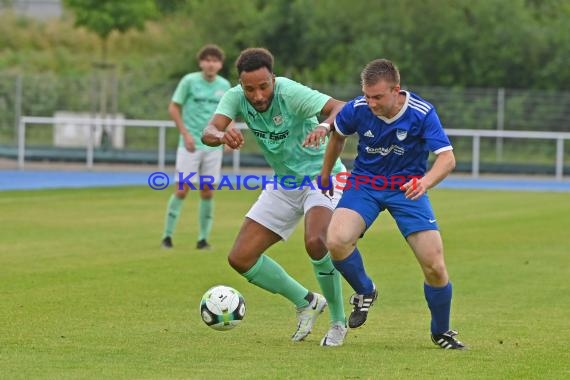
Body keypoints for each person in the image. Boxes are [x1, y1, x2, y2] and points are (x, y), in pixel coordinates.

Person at [202, 48, 348, 346]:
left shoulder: (290, 92)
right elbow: (209, 130)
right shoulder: (235, 96)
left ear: (273, 77)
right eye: (250, 89)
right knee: (240, 258)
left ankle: (337, 321)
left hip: (322, 176)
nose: (257, 95)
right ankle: (306, 301)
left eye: (263, 86)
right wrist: (221, 136)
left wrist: (323, 126)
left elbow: (341, 107)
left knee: (316, 242)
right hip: (284, 183)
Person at [320, 58, 466, 349]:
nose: (371, 103)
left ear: (396, 90)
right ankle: (365, 290)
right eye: (367, 96)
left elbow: (447, 159)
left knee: (434, 265)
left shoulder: (422, 113)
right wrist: (326, 173)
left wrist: (424, 183)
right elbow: (338, 134)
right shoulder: (358, 108)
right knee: (336, 240)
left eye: (377, 97)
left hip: (407, 189)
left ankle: (441, 332)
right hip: (366, 184)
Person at [161, 44, 231, 250]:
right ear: (201, 62)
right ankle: (167, 236)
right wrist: (185, 133)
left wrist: (227, 136)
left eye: (215, 60)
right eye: (207, 60)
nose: (211, 64)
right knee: (182, 189)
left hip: (213, 147)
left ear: (220, 64)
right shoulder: (189, 81)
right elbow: (174, 107)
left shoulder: (224, 85)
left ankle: (202, 239)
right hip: (189, 146)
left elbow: (228, 113)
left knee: (208, 191)